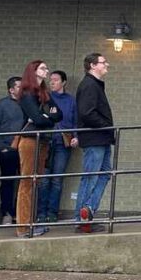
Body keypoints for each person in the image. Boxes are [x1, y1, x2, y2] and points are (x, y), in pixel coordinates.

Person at [15, 60, 61, 237]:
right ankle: (23, 227)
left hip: (42, 140)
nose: (46, 70)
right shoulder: (27, 93)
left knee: (36, 182)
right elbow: (38, 118)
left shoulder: (44, 93)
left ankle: (30, 223)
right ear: (33, 71)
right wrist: (47, 117)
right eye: (42, 68)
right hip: (30, 140)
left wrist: (45, 116)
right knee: (27, 182)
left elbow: (59, 114)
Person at [75, 52, 114, 232]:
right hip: (94, 138)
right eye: (103, 62)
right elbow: (87, 113)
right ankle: (81, 219)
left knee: (104, 174)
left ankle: (88, 210)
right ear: (92, 65)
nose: (107, 65)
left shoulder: (94, 85)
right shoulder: (89, 85)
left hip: (101, 138)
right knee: (91, 176)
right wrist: (107, 126)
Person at [39, 70, 77, 224]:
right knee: (43, 179)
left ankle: (52, 212)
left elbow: (75, 120)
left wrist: (76, 136)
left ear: (64, 82)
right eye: (51, 80)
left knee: (57, 179)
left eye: (55, 80)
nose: (52, 82)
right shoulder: (45, 98)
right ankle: (41, 213)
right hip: (46, 142)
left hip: (63, 142)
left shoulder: (71, 100)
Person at [0, 76, 23, 224]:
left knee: (24, 181)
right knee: (8, 181)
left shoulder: (27, 104)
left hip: (24, 148)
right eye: (19, 86)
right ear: (11, 90)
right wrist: (1, 147)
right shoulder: (1, 105)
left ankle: (20, 212)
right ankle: (7, 212)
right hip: (7, 148)